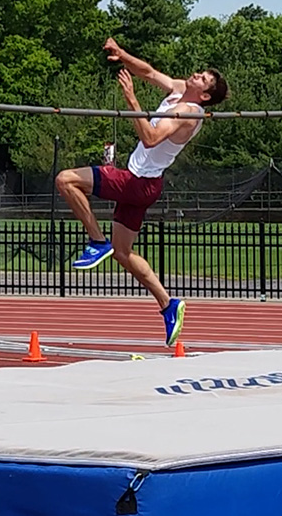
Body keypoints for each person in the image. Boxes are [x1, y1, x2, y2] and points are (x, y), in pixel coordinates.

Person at [55, 37, 229, 347]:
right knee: (123, 253)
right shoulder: (178, 90)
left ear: (204, 94)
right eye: (201, 72)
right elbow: (148, 71)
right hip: (145, 184)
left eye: (203, 78)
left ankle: (96, 241)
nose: (197, 74)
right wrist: (122, 55)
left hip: (136, 181)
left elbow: (150, 138)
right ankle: (168, 304)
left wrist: (132, 100)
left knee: (66, 180)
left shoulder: (188, 113)